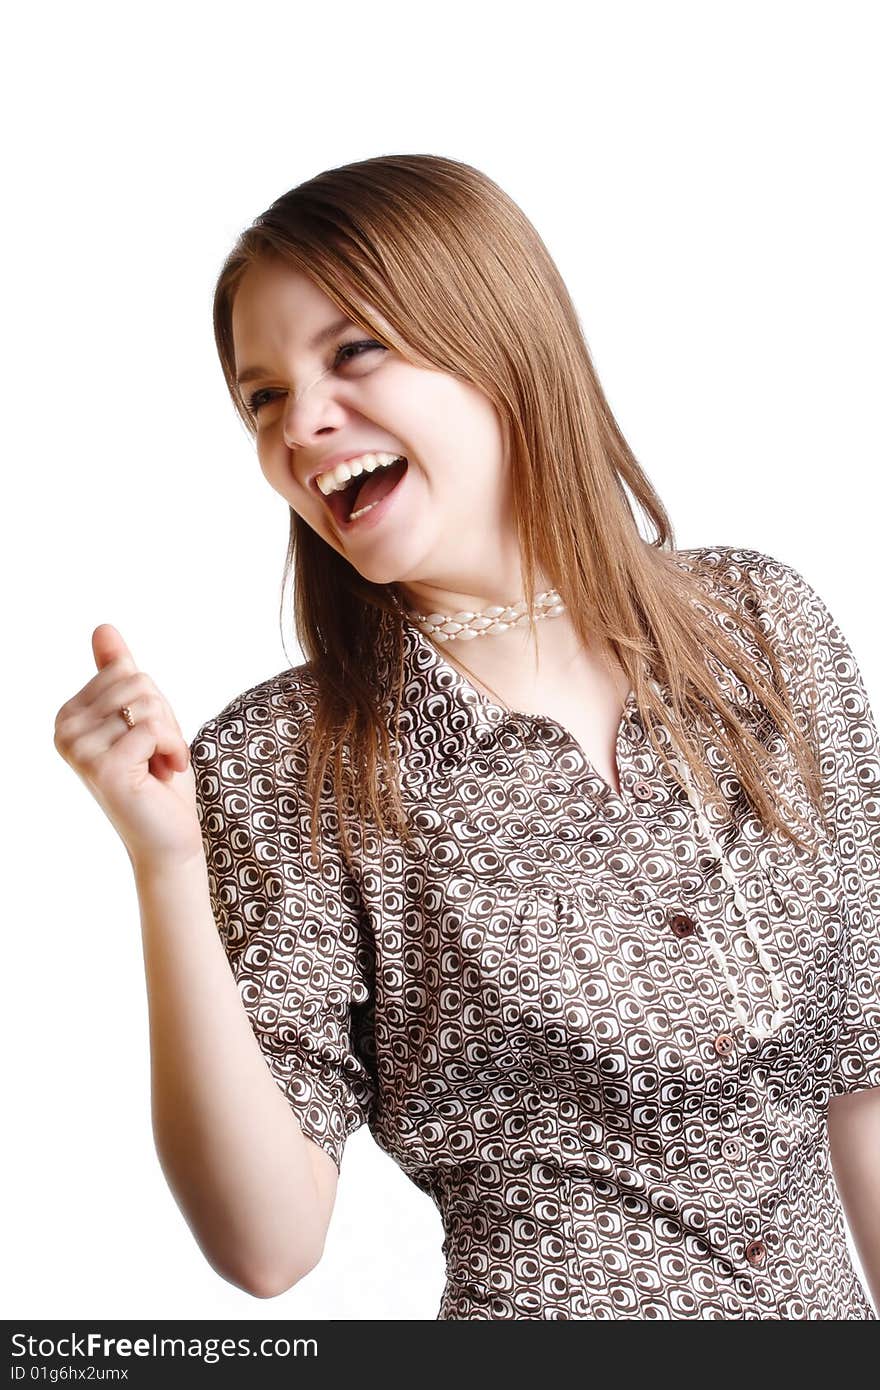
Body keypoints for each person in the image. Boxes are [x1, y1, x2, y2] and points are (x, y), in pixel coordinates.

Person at [54, 154, 880, 1319]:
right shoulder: (286, 766)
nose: (304, 422)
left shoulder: (762, 630)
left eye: (352, 353)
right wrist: (165, 860)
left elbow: (865, 1068)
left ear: (498, 341)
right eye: (264, 396)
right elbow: (266, 1244)